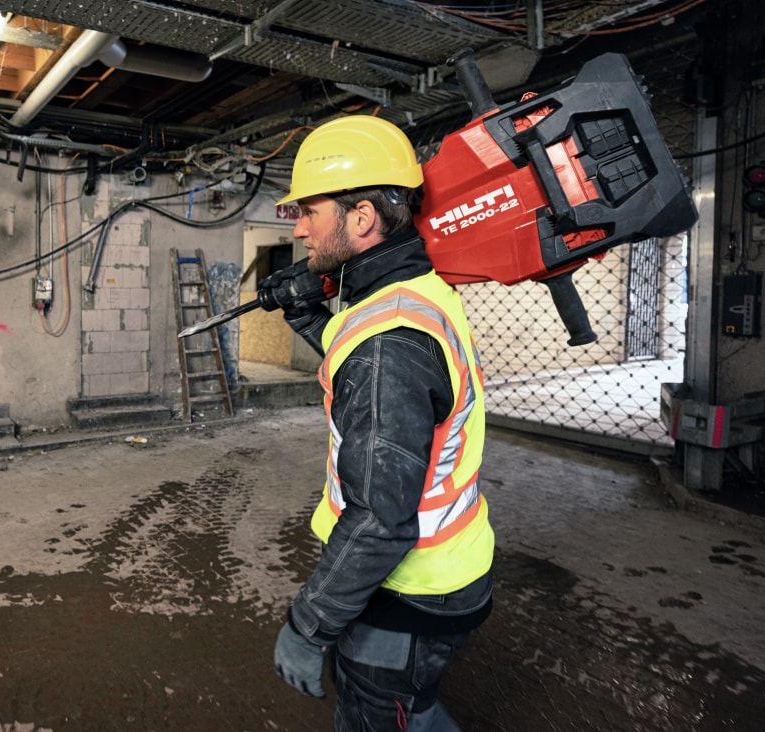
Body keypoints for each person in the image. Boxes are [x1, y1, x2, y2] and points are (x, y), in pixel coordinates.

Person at [268, 115, 495, 731]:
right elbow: (370, 382)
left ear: (362, 216)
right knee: (411, 713)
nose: (301, 227)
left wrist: (307, 626)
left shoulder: (386, 340)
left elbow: (379, 519)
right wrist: (310, 318)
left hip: (410, 590)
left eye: (310, 211)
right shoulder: (414, 294)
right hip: (453, 567)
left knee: (377, 715)